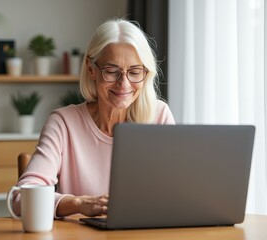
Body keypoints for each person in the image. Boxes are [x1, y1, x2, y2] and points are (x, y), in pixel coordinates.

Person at [12, 18, 175, 218]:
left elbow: (177, 194)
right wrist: (79, 203)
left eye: (134, 72)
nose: (124, 84)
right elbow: (21, 198)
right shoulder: (64, 123)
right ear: (91, 69)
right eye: (111, 71)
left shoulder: (160, 116)